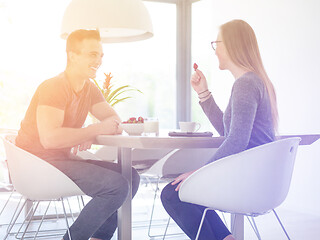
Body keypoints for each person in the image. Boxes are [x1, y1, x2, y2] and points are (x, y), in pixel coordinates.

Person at [15, 29, 140, 240]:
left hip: (60, 161)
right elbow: (50, 139)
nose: (99, 60)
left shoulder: (89, 89)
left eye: (101, 55)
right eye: (92, 54)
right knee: (116, 185)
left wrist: (86, 135)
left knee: (130, 176)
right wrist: (92, 131)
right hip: (37, 165)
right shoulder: (53, 86)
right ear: (72, 55)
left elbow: (115, 121)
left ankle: (97, 238)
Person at [161, 19, 278, 240]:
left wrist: (199, 173)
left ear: (232, 44)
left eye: (217, 44)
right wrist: (203, 93)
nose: (214, 51)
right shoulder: (255, 81)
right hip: (257, 178)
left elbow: (236, 140)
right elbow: (230, 131)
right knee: (183, 191)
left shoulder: (245, 84)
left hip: (246, 179)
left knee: (173, 193)